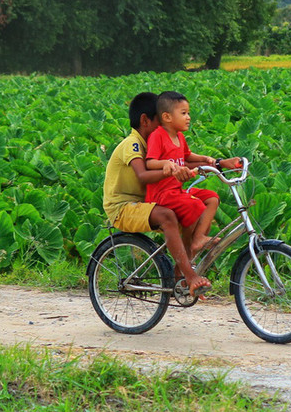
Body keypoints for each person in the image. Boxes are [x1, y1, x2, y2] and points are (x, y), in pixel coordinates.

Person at [102, 92, 211, 298]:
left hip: (147, 202)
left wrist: (218, 163)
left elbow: (184, 162)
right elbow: (143, 175)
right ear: (145, 120)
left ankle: (180, 274)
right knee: (167, 216)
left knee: (198, 206)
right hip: (123, 208)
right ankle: (189, 276)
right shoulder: (133, 144)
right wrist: (170, 171)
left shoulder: (155, 142)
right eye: (160, 121)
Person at [144, 91, 241, 263]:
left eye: (188, 113)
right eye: (183, 113)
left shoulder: (179, 136)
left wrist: (205, 158)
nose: (188, 117)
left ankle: (198, 238)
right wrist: (166, 163)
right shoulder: (158, 135)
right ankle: (191, 248)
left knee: (212, 198)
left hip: (177, 191)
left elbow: (187, 156)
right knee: (195, 205)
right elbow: (150, 162)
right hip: (161, 194)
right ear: (167, 117)